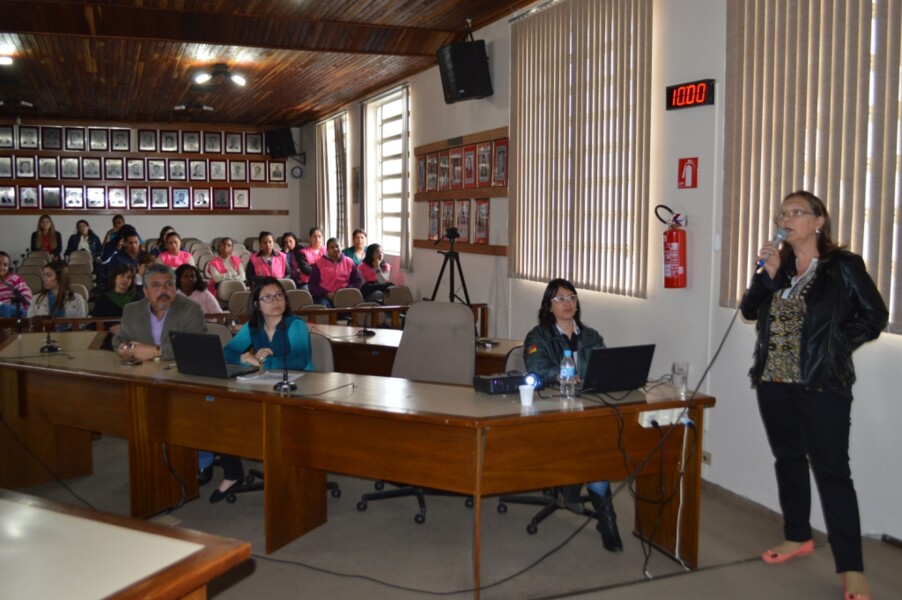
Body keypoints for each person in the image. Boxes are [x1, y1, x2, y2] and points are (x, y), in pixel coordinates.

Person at [739, 191, 887, 600]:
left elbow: (875, 315)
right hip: (774, 381)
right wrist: (766, 275)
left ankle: (851, 568)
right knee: (787, 458)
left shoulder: (843, 266)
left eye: (796, 212)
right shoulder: (780, 265)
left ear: (819, 220)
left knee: (833, 471)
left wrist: (838, 343)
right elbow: (750, 310)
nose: (786, 218)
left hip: (823, 384)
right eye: (782, 212)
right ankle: (797, 536)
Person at [523, 278, 623, 553]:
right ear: (548, 306)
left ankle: (601, 513)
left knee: (598, 443)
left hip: (588, 409)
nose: (568, 304)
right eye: (560, 299)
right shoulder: (538, 336)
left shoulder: (591, 337)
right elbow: (537, 367)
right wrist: (562, 374)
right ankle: (608, 521)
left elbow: (606, 367)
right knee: (592, 449)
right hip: (551, 411)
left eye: (572, 298)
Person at [216, 278, 315, 502]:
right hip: (267, 387)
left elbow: (298, 360)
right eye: (267, 297)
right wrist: (245, 357)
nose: (275, 301)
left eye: (279, 295)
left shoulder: (294, 324)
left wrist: (264, 363)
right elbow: (227, 352)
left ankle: (289, 474)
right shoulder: (253, 326)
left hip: (301, 388)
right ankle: (233, 473)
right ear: (257, 304)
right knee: (223, 413)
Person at [113, 263, 205, 362]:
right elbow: (118, 339)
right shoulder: (132, 310)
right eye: (156, 285)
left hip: (175, 373)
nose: (164, 290)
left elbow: (193, 345)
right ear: (145, 291)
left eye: (169, 284)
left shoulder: (191, 309)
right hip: (140, 372)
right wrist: (123, 348)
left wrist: (156, 352)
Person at [308, 237, 362, 307]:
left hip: (345, 295)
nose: (335, 249)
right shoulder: (319, 263)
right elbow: (312, 284)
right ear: (327, 250)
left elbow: (357, 281)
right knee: (323, 308)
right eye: (332, 247)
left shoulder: (349, 262)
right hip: (324, 296)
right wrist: (326, 294)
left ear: (341, 247)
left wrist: (346, 291)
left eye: (337, 246)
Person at [0, 251, 32, 318]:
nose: (1, 267)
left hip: (19, 311)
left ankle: (7, 328)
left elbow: (27, 298)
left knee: (4, 308)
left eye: (5, 265)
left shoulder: (14, 278)